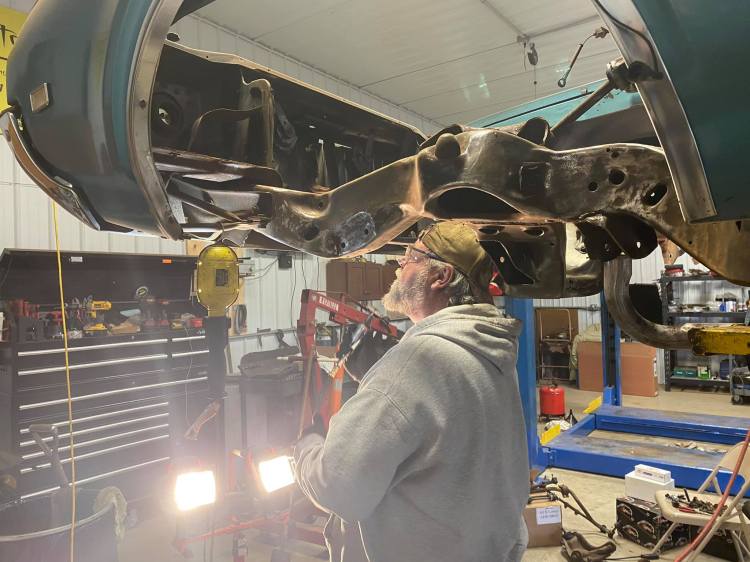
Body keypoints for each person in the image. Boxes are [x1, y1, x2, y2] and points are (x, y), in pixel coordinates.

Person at [294, 221, 529, 562]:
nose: (398, 265)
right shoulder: (488, 349)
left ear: (441, 276)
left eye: (411, 257)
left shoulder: (416, 362)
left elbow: (337, 487)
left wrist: (307, 447)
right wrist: (383, 382)